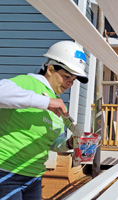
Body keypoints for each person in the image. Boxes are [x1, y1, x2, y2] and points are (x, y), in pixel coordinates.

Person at [0, 40, 88, 200]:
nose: (70, 83)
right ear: (50, 68)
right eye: (67, 76)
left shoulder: (57, 103)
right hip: (5, 171)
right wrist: (45, 102)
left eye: (73, 80)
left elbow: (53, 143)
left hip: (34, 176)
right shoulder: (29, 84)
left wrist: (68, 144)